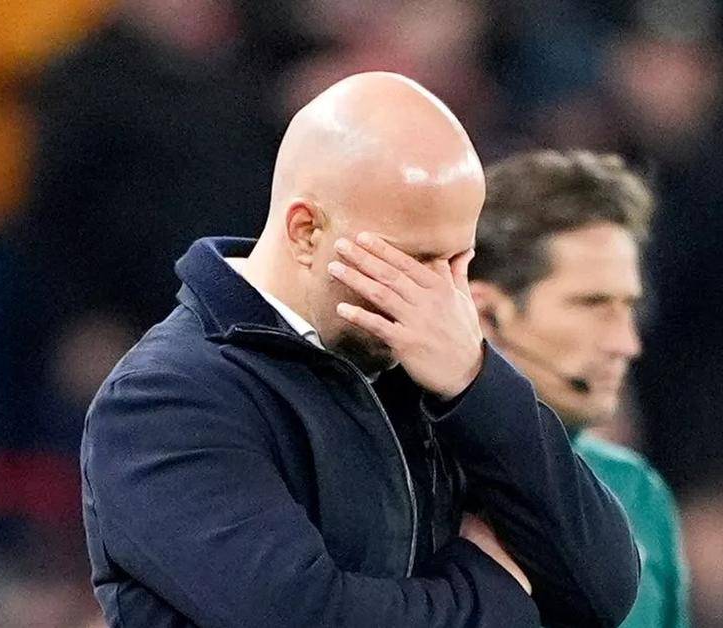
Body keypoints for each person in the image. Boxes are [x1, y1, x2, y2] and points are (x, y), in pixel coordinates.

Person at [80, 72, 640, 627]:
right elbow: (303, 616)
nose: (445, 296)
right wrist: (492, 592)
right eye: (417, 261)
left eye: (460, 261)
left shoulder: (434, 371)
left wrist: (478, 382)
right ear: (306, 231)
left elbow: (602, 590)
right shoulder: (164, 400)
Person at [468, 150, 691, 628]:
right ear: (486, 314)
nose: (626, 344)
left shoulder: (637, 493)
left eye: (629, 308)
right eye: (592, 304)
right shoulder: (407, 486)